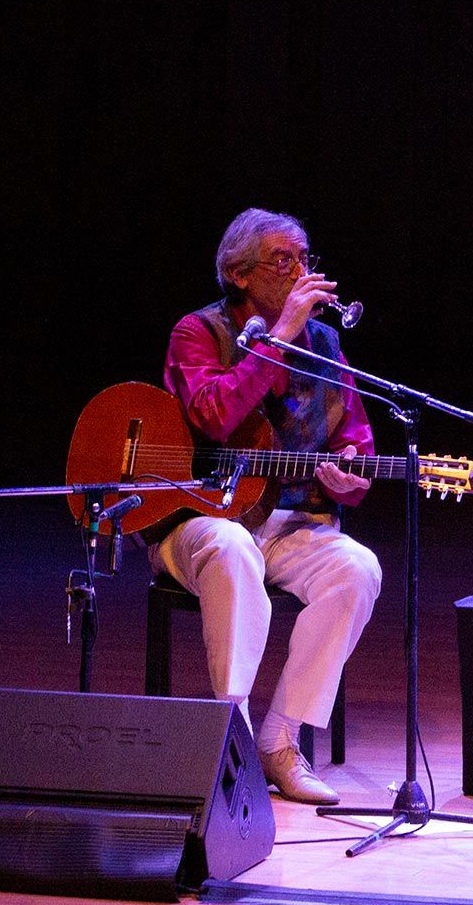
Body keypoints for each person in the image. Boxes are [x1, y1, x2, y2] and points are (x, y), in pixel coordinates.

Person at [148, 208, 383, 806]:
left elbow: (356, 442)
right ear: (240, 273)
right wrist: (276, 340)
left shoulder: (326, 344)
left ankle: (278, 740)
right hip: (199, 521)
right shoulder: (197, 333)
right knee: (231, 550)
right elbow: (215, 415)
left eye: (305, 259)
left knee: (358, 570)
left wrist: (347, 476)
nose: (302, 273)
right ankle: (232, 735)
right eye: (284, 261)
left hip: (290, 524)